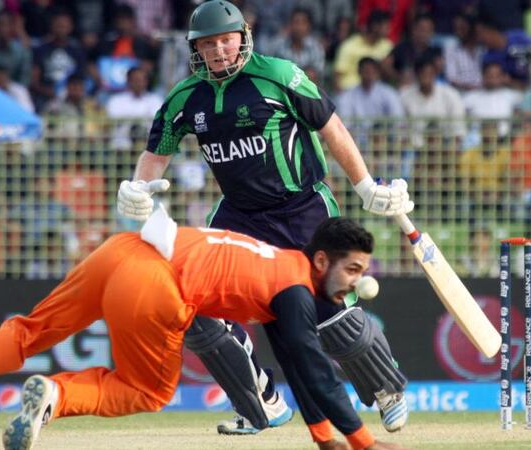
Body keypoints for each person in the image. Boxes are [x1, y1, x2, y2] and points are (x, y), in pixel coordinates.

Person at [115, 0, 413, 444]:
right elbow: (157, 154)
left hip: (303, 209)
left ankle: (384, 387)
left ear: (243, 38)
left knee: (330, 317)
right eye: (208, 43)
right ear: (195, 48)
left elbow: (331, 126)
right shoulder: (185, 96)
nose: (218, 50)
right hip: (240, 216)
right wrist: (137, 189)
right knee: (194, 304)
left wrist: (365, 184)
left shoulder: (279, 75)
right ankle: (263, 403)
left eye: (226, 40)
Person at [0, 215, 408, 450]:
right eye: (354, 270)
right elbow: (313, 368)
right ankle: (58, 395)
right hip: (155, 282)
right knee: (149, 391)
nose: (358, 284)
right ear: (321, 260)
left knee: (26, 332)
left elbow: (296, 365)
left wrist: (324, 439)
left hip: (121, 250)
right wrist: (362, 442)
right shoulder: (294, 294)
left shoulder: (285, 267)